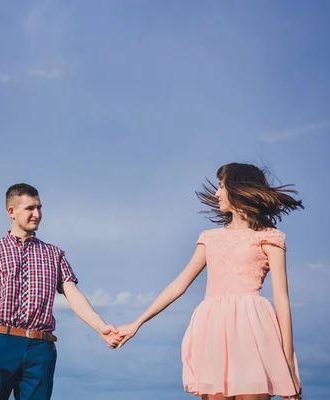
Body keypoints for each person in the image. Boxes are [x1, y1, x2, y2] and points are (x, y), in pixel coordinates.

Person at [114, 163, 304, 400]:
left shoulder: (270, 237)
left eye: (221, 186)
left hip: (252, 327)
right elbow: (178, 285)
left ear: (238, 188)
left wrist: (288, 366)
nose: (216, 193)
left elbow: (282, 301)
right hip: (212, 326)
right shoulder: (210, 238)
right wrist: (136, 323)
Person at [0, 183, 120, 400]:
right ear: (11, 211)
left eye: (39, 207)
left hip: (40, 347)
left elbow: (73, 294)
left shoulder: (54, 254)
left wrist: (100, 327)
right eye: (30, 208)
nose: (36, 214)